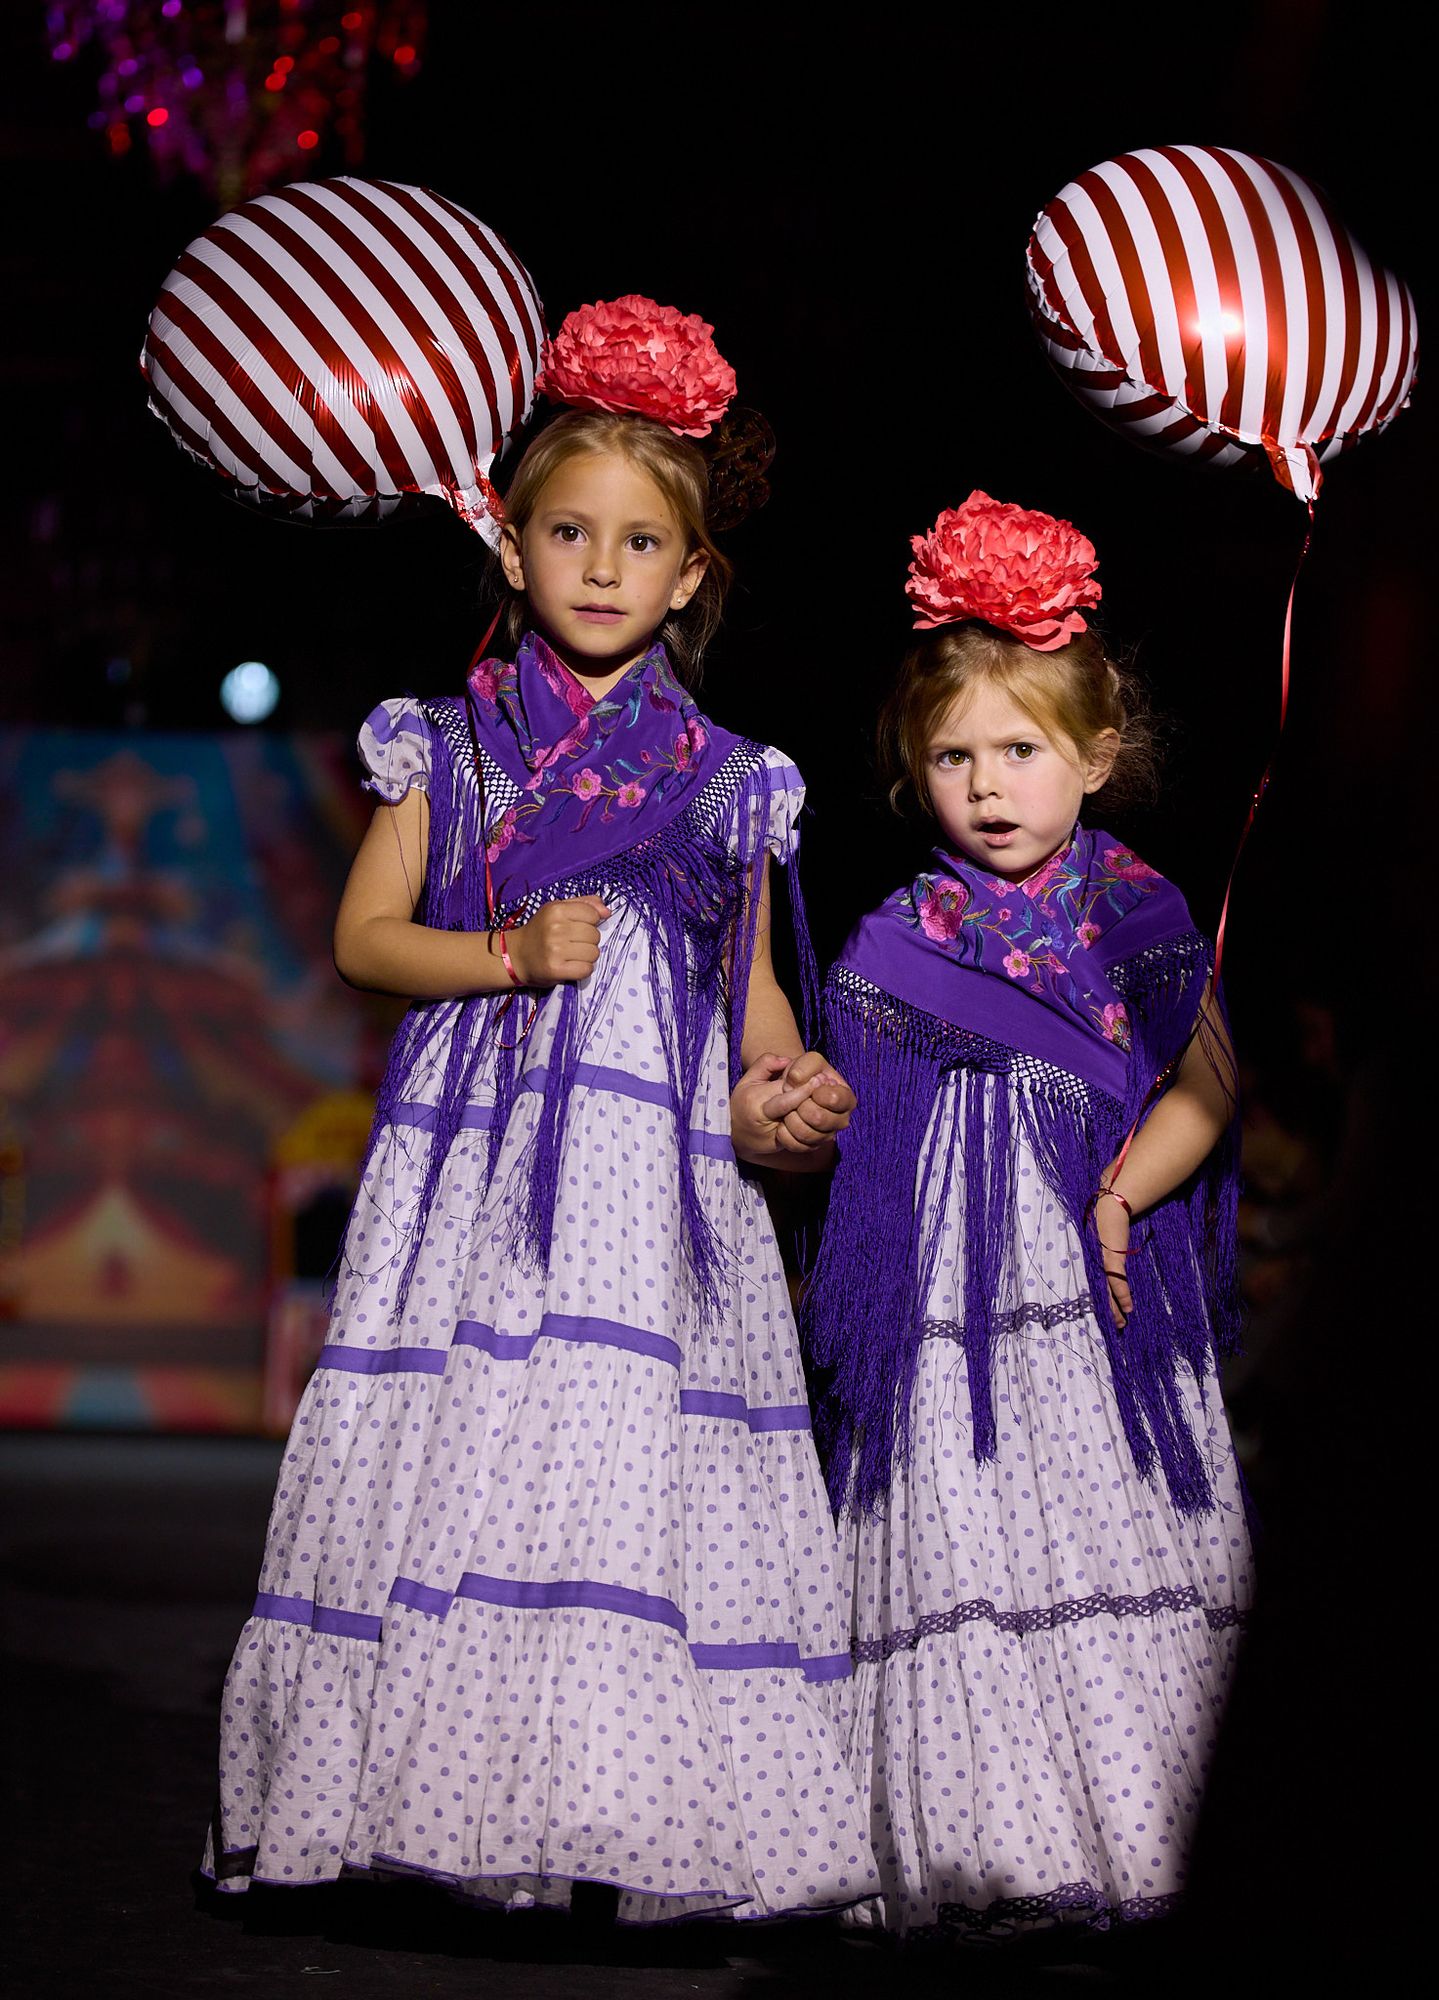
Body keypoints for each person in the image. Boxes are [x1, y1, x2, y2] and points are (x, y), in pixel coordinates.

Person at [203, 296, 879, 1925]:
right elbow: (367, 940)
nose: (598, 564)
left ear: (691, 575)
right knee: (467, 1436)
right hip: (475, 1172)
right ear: (507, 548)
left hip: (650, 1198)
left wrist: (780, 1092)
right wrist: (504, 953)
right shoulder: (444, 744)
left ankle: (613, 1821)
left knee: (620, 1465)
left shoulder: (730, 778)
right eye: (565, 530)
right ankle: (413, 1812)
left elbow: (754, 1000)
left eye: (639, 541)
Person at [804, 491, 1254, 1937]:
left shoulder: (1135, 909)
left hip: (1097, 1291)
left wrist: (1124, 1195)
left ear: (1096, 755)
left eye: (1021, 751)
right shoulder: (894, 942)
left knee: (1107, 1535)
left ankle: (1132, 1836)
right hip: (949, 1302)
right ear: (910, 766)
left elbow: (1205, 1092)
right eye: (953, 757)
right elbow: (854, 1144)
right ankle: (985, 1837)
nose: (988, 786)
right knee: (965, 1535)